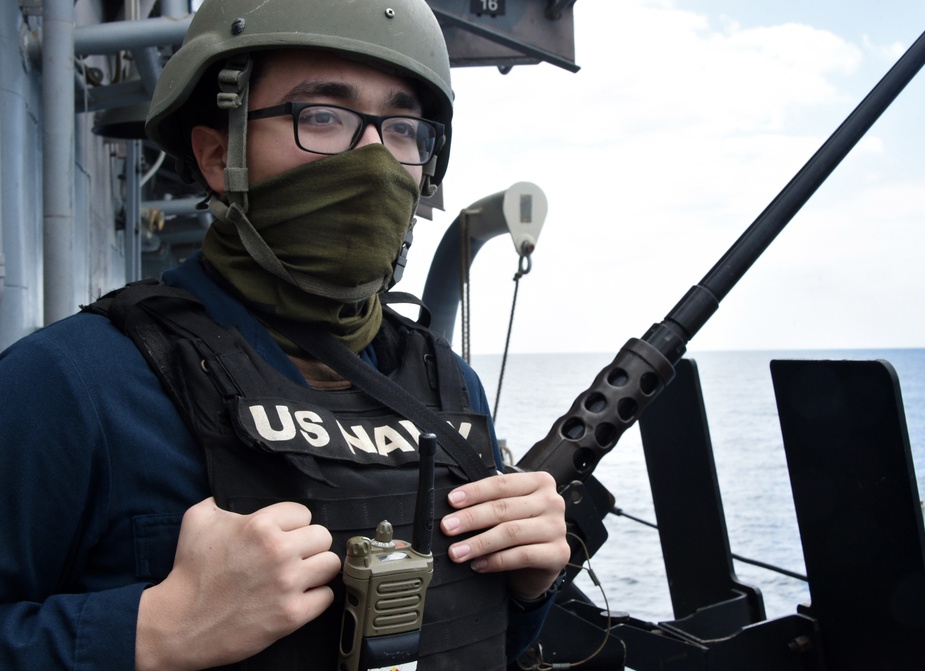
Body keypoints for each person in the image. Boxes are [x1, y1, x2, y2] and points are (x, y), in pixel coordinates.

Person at [0, 0, 570, 669]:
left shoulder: (447, 385)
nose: (374, 158)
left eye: (403, 127)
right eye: (322, 116)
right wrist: (149, 630)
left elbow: (470, 639)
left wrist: (530, 587)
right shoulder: (74, 384)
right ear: (218, 155)